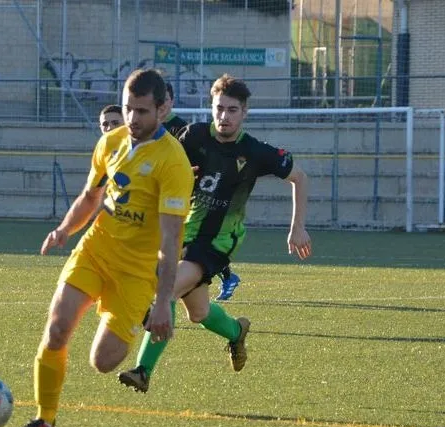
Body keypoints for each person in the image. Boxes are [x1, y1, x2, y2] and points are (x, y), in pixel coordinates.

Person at [7, 68, 194, 427]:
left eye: (142, 111)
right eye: (128, 109)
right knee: (57, 329)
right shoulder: (110, 143)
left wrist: (161, 304)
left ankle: (123, 311)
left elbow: (172, 239)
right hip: (95, 249)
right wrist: (63, 230)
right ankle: (44, 421)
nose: (133, 118)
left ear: (161, 110)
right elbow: (91, 197)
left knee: (103, 362)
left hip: (137, 271)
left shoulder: (173, 162)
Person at [118, 74, 312, 393]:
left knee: (163, 292)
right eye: (219, 108)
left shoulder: (256, 151)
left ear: (245, 112)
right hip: (183, 232)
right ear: (211, 107)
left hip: (218, 242)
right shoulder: (193, 136)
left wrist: (298, 227)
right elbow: (167, 164)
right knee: (199, 313)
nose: (224, 116)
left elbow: (300, 178)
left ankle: (142, 370)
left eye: (232, 110)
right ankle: (236, 332)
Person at [163, 80, 241, 301]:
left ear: (171, 101)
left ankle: (226, 276)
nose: (162, 105)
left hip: (193, 199)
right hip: (171, 197)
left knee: (169, 285)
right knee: (198, 310)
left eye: (166, 99)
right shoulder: (147, 127)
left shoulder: (180, 127)